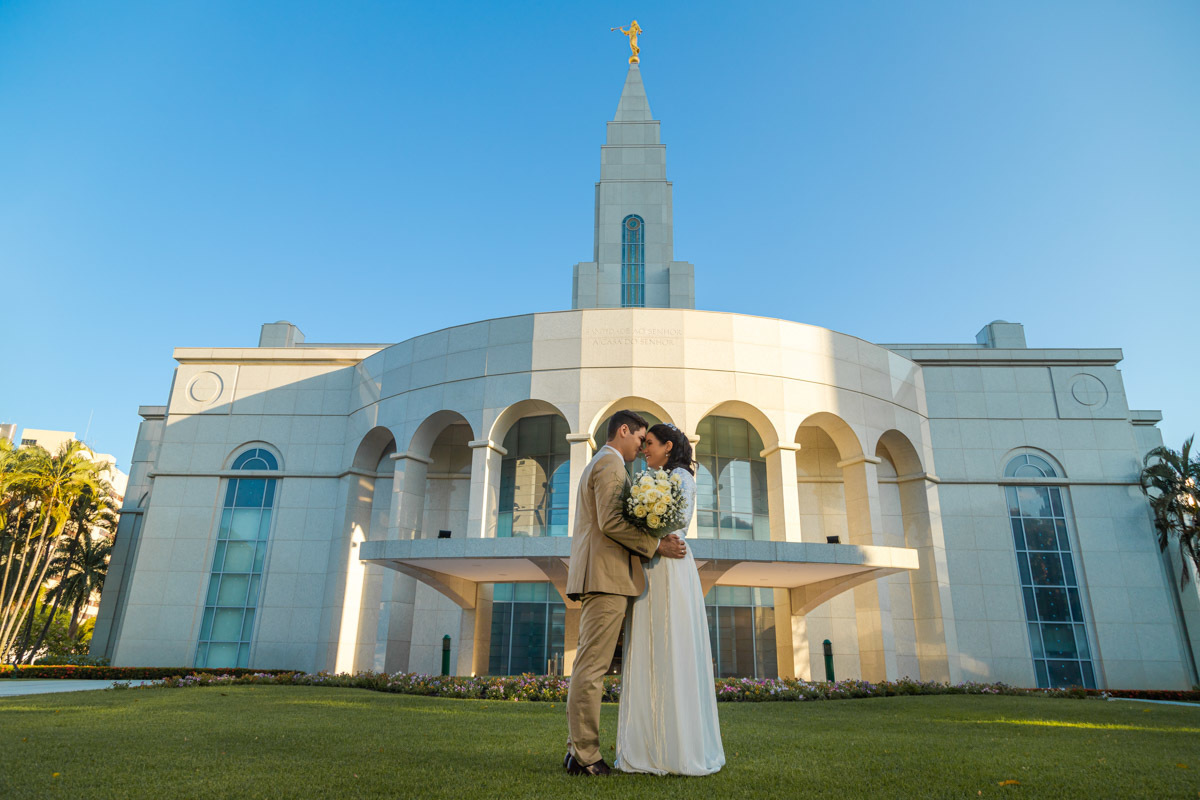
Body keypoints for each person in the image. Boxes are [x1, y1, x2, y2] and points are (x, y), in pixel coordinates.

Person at [563, 410, 687, 777]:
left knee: (590, 665)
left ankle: (576, 751)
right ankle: (586, 756)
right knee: (592, 668)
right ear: (623, 431)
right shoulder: (610, 464)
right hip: (604, 579)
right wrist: (657, 545)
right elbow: (612, 522)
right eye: (639, 438)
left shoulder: (607, 463)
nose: (640, 445)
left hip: (608, 577)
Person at [615, 422, 725, 775]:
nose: (644, 449)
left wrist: (652, 533)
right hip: (652, 562)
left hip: (671, 563)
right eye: (642, 443)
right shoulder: (655, 476)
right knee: (650, 648)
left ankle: (678, 747)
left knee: (672, 647)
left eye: (649, 443)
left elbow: (675, 523)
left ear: (668, 445)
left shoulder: (679, 479)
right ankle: (647, 745)